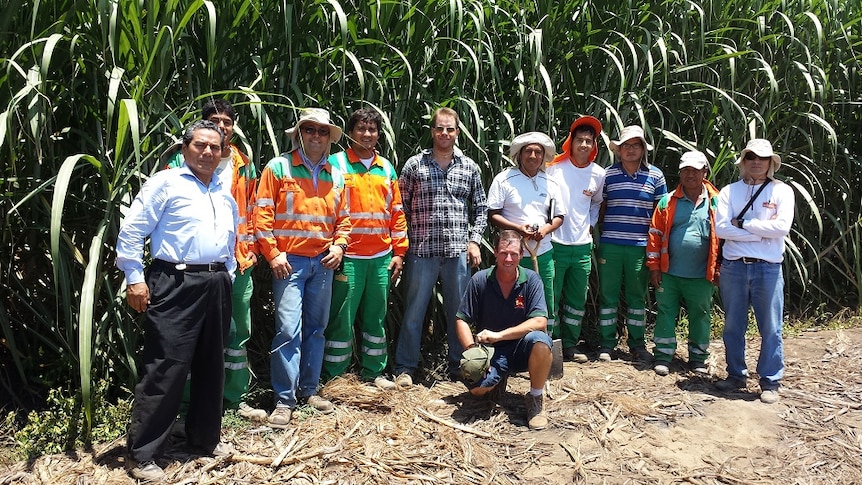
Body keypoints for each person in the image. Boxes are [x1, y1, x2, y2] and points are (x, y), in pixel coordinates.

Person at [116, 120, 238, 481]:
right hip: (175, 281)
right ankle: (144, 453)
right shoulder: (165, 184)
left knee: (211, 363)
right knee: (166, 366)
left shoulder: (221, 189)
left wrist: (226, 272)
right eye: (200, 145)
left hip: (215, 282)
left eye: (215, 147)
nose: (207, 152)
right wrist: (135, 279)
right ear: (185, 148)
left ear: (221, 153)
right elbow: (131, 232)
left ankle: (204, 439)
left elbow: (229, 239)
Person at [164, 99, 265, 420]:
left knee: (237, 334)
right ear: (204, 125)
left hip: (239, 262)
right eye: (214, 120)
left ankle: (234, 401)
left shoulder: (243, 163)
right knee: (191, 333)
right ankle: (185, 406)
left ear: (233, 128)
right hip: (195, 265)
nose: (222, 126)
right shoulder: (181, 161)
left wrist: (252, 250)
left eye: (227, 122)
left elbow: (252, 209)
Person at [255, 108, 351, 427]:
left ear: (328, 138)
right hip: (289, 263)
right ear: (299, 133)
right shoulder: (278, 167)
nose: (316, 136)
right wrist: (273, 254)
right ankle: (284, 400)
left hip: (323, 262)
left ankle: (309, 390)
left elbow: (344, 220)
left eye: (322, 131)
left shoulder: (336, 174)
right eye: (310, 130)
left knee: (316, 329)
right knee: (287, 329)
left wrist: (339, 246)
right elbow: (262, 216)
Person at [394, 107, 488, 386]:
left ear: (458, 132)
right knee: (413, 312)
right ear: (432, 131)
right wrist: (403, 246)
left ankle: (460, 367)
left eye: (450, 129)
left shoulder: (469, 167)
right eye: (439, 128)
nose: (444, 133)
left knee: (458, 314)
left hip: (457, 252)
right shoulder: (415, 165)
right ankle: (406, 368)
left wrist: (474, 241)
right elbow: (401, 208)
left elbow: (480, 208)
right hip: (422, 252)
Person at [321, 108, 409, 389]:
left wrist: (399, 252)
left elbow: (396, 211)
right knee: (341, 320)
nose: (367, 134)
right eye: (361, 129)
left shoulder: (386, 168)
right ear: (350, 132)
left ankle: (374, 372)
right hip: (349, 257)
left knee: (376, 318)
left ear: (378, 135)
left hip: (381, 258)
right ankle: (336, 377)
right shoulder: (336, 164)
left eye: (372, 130)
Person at [714, 139, 794, 404]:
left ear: (771, 163)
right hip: (735, 267)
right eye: (751, 157)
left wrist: (746, 223)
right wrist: (759, 234)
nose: (756, 162)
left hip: (768, 270)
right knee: (733, 325)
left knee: (771, 327)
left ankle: (770, 381)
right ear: (743, 162)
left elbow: (782, 228)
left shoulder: (782, 192)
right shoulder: (729, 191)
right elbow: (721, 229)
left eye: (762, 158)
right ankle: (736, 375)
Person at [454, 230, 553, 430]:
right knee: (477, 391)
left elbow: (540, 322)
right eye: (503, 253)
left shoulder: (532, 280)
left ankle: (535, 399)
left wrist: (499, 335)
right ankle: (496, 381)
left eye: (514, 254)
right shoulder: (480, 280)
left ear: (521, 256)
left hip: (522, 348)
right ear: (495, 253)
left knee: (540, 341)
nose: (508, 259)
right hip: (490, 352)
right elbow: (461, 320)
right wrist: (473, 351)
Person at [597, 125, 667, 363]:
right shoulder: (607, 175)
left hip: (640, 246)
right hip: (611, 244)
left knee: (637, 297)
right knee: (608, 295)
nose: (630, 150)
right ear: (619, 150)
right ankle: (606, 343)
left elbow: (661, 214)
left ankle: (637, 344)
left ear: (642, 149)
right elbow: (601, 209)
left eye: (635, 145)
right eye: (626, 145)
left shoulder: (656, 176)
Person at [646, 151, 720, 376]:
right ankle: (663, 355)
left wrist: (719, 267)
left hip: (701, 274)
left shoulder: (717, 201)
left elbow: (725, 238)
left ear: (704, 172)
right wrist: (654, 267)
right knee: (666, 312)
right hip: (670, 272)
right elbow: (654, 235)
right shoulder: (667, 201)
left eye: (695, 170)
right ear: (680, 173)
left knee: (701, 314)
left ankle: (698, 358)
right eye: (686, 170)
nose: (690, 175)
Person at [487, 132, 564, 342]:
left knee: (545, 299)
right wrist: (518, 229)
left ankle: (544, 344)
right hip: (511, 255)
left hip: (543, 252)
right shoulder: (504, 179)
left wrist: (545, 231)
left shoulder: (551, 182)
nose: (533, 156)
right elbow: (492, 214)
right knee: (512, 299)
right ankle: (510, 344)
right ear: (519, 154)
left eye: (537, 152)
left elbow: (558, 216)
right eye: (528, 151)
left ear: (543, 156)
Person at [545, 116, 606, 363]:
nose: (583, 145)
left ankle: (570, 344)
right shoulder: (554, 168)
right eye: (579, 140)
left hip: (581, 246)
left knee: (576, 300)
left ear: (594, 146)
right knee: (551, 297)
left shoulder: (598, 174)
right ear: (570, 142)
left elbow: (597, 203)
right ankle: (551, 343)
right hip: (555, 243)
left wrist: (590, 226)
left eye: (588, 141)